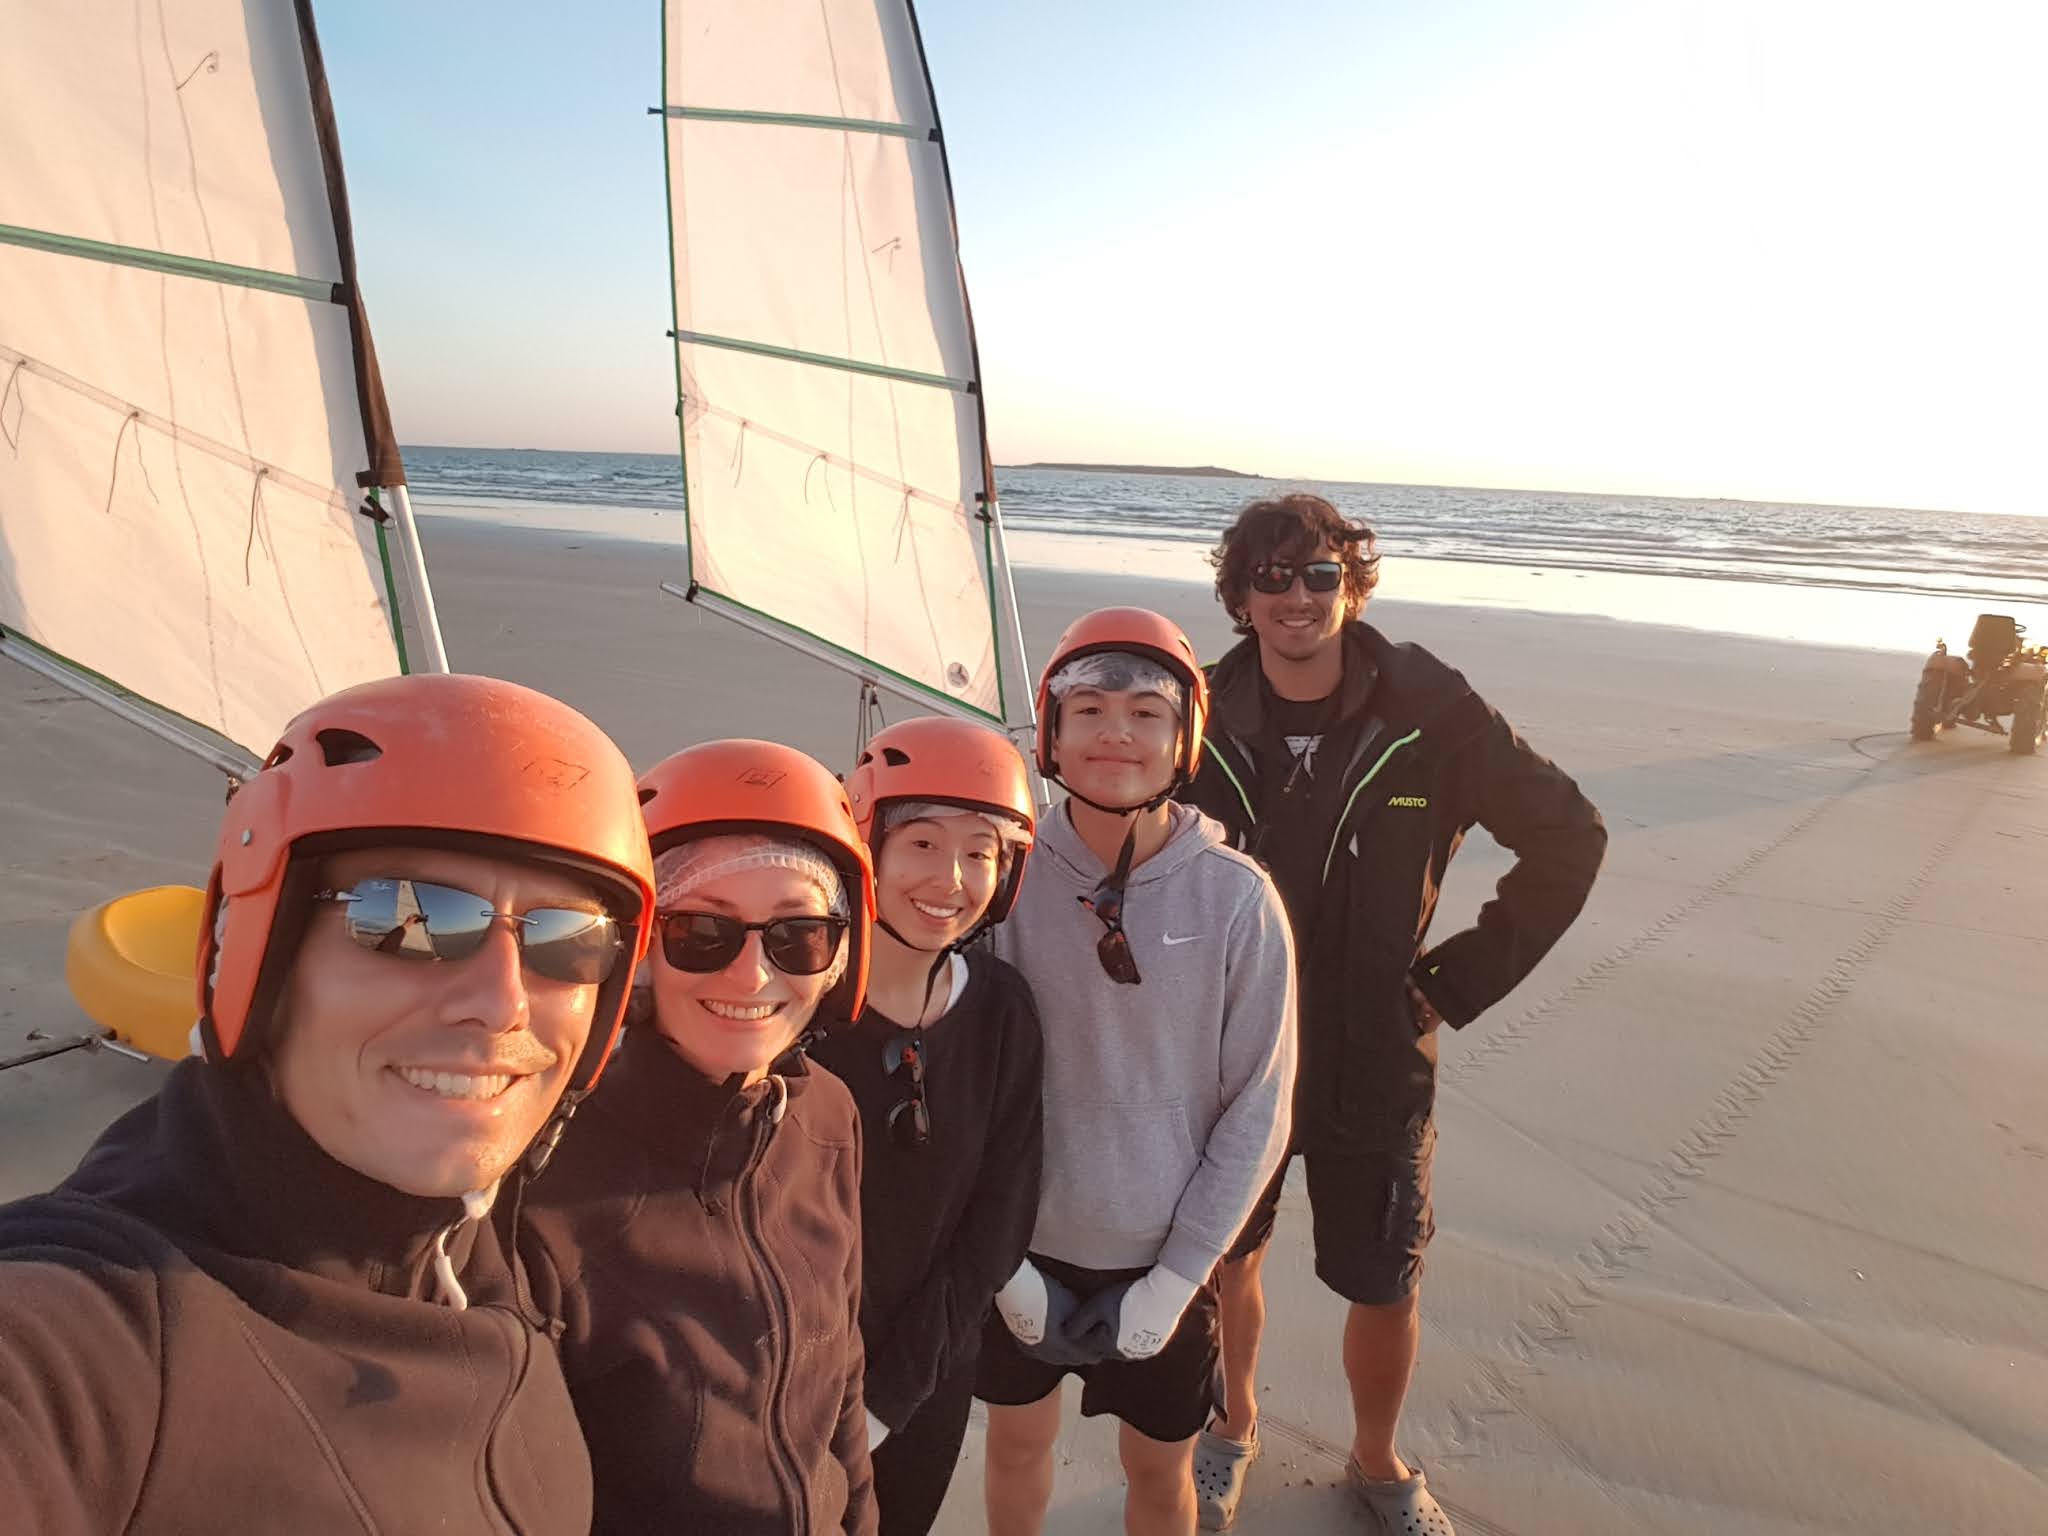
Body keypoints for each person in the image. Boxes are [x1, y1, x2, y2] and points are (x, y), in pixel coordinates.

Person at [0, 673, 656, 1536]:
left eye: (568, 940)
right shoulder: (92, 1332)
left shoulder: (479, 1255)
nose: (503, 1004)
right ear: (260, 956)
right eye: (410, 919)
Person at [1182, 494, 1608, 1533]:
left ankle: (1376, 1459)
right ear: (1239, 596)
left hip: (1375, 1050)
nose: (1296, 597)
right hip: (1226, 1048)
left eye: (1319, 574)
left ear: (1353, 586)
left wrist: (1456, 980)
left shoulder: (1429, 710)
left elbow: (1569, 836)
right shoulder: (1192, 711)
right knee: (1224, 1257)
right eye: (1271, 577)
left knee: (1383, 1279)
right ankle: (1231, 1424)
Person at [976, 608, 1298, 1536]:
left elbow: (1260, 1108)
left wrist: (1181, 1273)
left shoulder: (1237, 899)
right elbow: (963, 1079)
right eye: (1088, 710)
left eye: (1147, 712)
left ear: (1185, 737)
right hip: (1024, 1245)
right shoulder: (999, 877)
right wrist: (999, 1263)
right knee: (1016, 1447)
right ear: (1051, 731)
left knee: (1160, 1473)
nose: (1116, 732)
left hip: (1165, 1258)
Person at [520, 738, 878, 1536]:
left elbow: (842, 1372)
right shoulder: (547, 1173)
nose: (752, 976)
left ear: (840, 953)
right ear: (640, 946)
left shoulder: (827, 1117)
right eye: (701, 932)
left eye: (798, 935)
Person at [808, 716, 1045, 1536]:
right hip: (791, 1383)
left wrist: (889, 1399)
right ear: (865, 845)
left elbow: (998, 1220)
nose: (951, 878)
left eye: (981, 852)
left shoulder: (1002, 1010)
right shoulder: (795, 1014)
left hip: (926, 1379)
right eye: (921, 844)